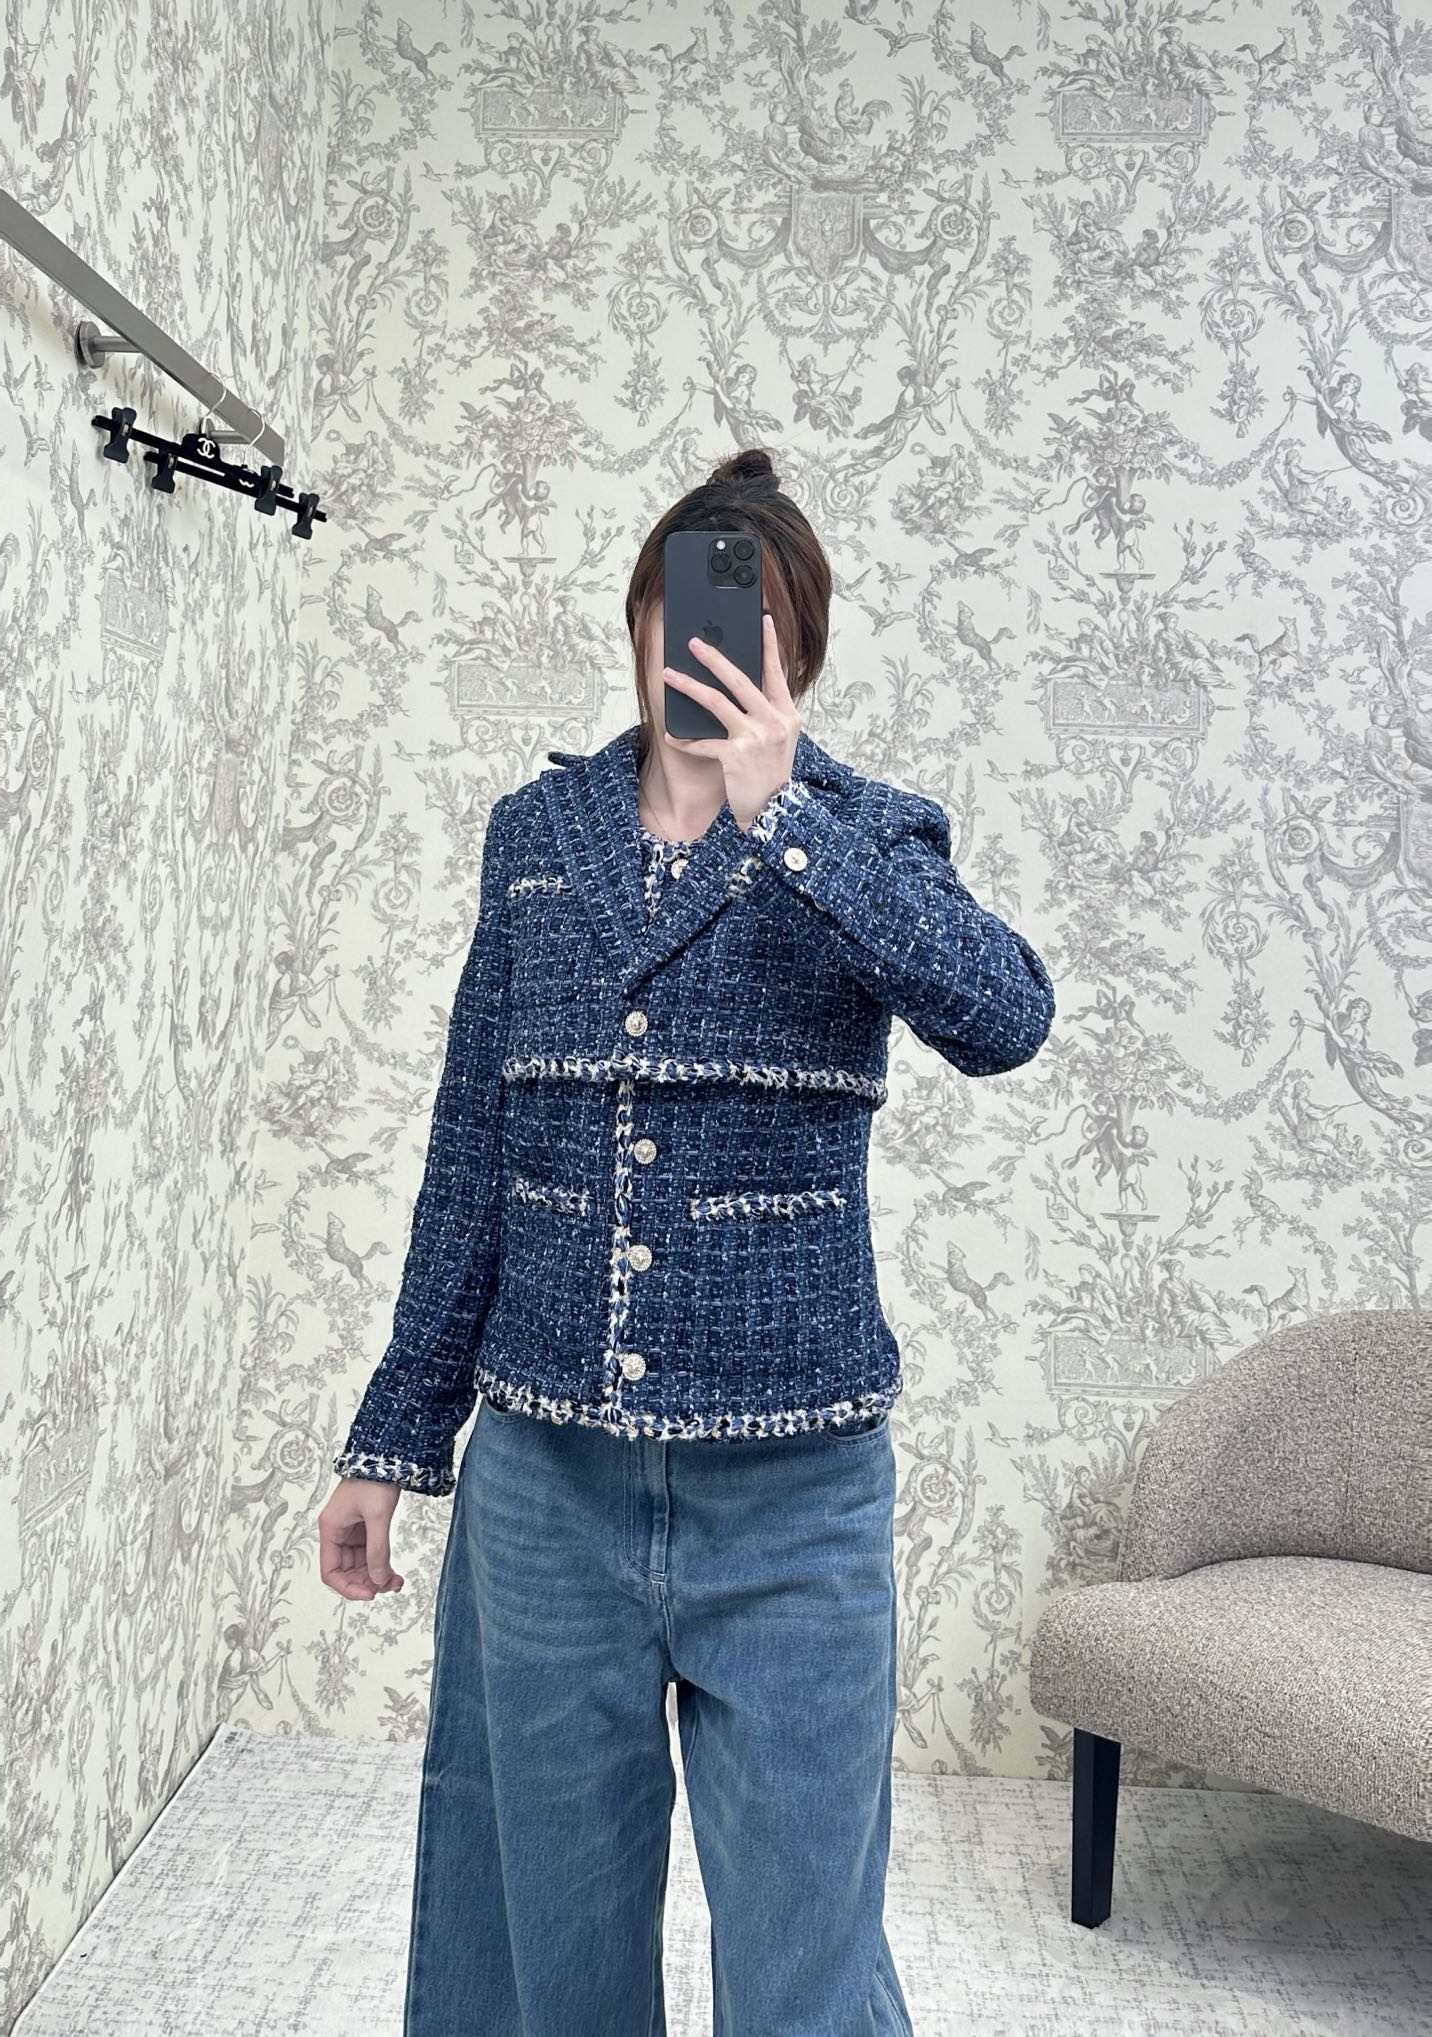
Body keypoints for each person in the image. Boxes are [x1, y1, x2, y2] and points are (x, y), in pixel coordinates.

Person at [318, 447, 1056, 2036]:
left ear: (799, 650)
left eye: (751, 619)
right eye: (687, 605)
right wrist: (393, 1438)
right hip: (547, 1493)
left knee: (807, 1967)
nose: (708, 642)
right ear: (642, 618)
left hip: (796, 1497)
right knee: (546, 1952)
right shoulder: (535, 836)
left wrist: (788, 817)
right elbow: (472, 1155)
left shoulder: (864, 835)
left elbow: (1006, 1014)